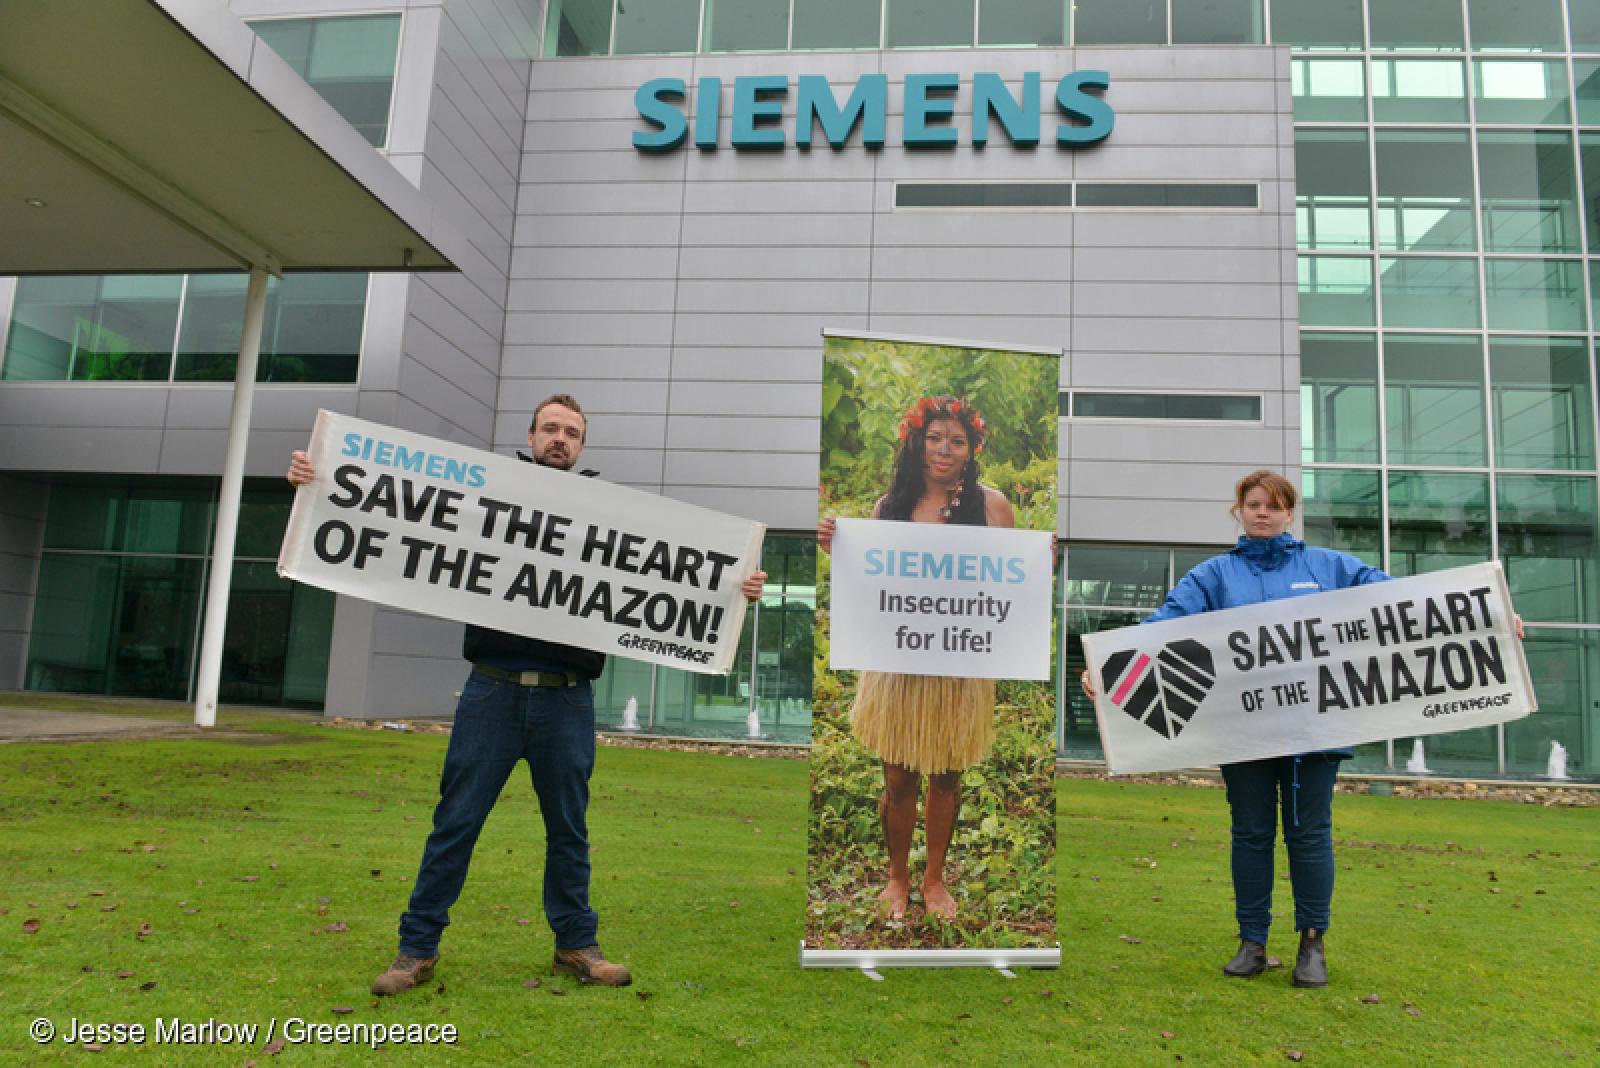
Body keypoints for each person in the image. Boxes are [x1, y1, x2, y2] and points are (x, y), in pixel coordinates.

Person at [287, 394, 766, 994]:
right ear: (531, 435)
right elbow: (395, 508)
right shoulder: (487, 495)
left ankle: (576, 945)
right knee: (455, 823)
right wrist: (319, 480)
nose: (559, 438)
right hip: (492, 693)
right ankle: (416, 951)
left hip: (567, 700)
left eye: (571, 431)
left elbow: (673, 575)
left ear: (582, 446)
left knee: (569, 829)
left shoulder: (610, 515)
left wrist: (732, 589)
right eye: (550, 428)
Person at [1080, 469, 1516, 989]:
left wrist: (1487, 615)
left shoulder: (1329, 567)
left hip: (1316, 732)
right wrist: (1106, 666)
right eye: (1253, 503)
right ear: (1238, 510)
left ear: (1290, 513)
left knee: (1310, 836)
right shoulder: (1213, 577)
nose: (1262, 513)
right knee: (1251, 834)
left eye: (1274, 505)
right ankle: (1253, 943)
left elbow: (1403, 600)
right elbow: (1166, 624)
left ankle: (1313, 944)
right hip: (1244, 734)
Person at [818, 395, 1014, 921]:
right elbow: (868, 581)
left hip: (959, 665)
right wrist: (837, 548)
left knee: (947, 777)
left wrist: (1044, 560)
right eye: (934, 439)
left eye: (956, 440)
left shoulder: (993, 507)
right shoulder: (890, 507)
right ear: (916, 443)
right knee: (899, 778)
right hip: (898, 663)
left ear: (971, 448)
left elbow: (1011, 586)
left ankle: (935, 881)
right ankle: (897, 878)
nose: (944, 450)